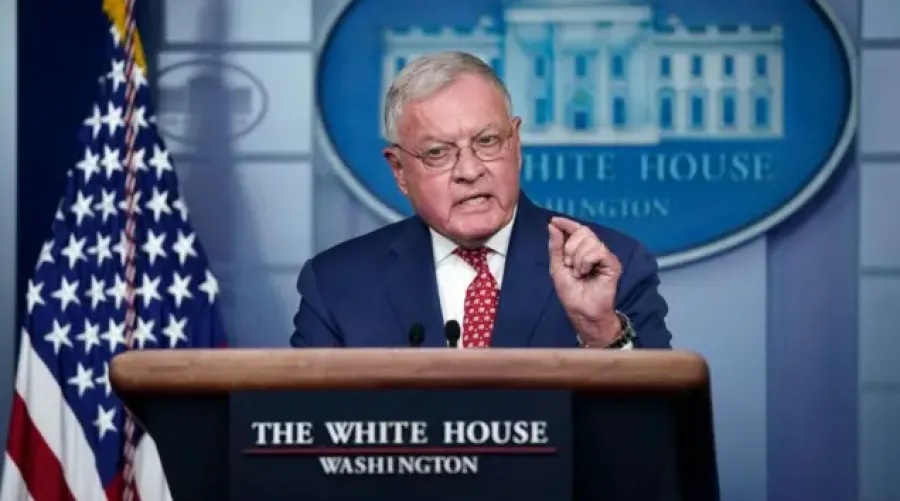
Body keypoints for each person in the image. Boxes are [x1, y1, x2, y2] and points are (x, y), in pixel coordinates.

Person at [291, 51, 672, 349]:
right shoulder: (337, 283)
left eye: (487, 141)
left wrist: (599, 330)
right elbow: (308, 420)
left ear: (516, 144)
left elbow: (658, 419)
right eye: (438, 152)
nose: (470, 170)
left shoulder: (613, 265)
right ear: (400, 170)